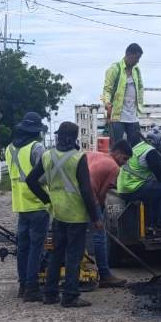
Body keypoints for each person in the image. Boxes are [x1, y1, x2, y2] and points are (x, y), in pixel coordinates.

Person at [26, 122, 102, 308]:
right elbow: (86, 190)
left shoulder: (47, 156)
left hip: (58, 211)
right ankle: (70, 296)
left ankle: (50, 294)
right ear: (74, 137)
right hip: (76, 214)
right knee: (73, 255)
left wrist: (47, 199)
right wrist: (96, 218)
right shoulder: (78, 158)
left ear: (59, 135)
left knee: (56, 254)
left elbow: (31, 180)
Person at [5, 112, 49, 301]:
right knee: (35, 247)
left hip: (20, 204)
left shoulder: (9, 149)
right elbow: (44, 175)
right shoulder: (36, 148)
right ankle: (32, 288)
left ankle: (23, 285)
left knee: (22, 247)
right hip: (38, 203)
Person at [116, 127, 161, 236]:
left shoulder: (138, 147)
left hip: (124, 187)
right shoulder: (150, 152)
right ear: (159, 141)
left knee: (157, 189)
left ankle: (152, 224)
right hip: (133, 188)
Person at [86, 141, 132, 287]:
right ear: (117, 152)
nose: (123, 163)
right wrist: (99, 212)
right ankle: (105, 276)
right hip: (90, 198)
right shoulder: (114, 167)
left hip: (74, 197)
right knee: (100, 236)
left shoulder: (93, 154)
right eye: (124, 159)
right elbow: (102, 193)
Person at [102, 43, 144, 146]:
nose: (137, 61)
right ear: (128, 54)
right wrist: (107, 103)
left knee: (136, 146)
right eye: (136, 58)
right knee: (117, 147)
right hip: (117, 117)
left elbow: (140, 87)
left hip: (132, 116)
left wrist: (140, 105)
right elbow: (107, 89)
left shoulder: (136, 70)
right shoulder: (114, 69)